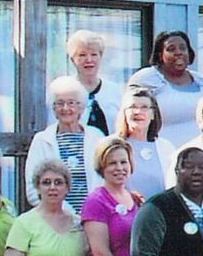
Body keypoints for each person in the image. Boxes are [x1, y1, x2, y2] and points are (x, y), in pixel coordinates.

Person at [26, 76, 105, 216]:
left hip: (93, 217)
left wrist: (90, 210)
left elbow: (104, 180)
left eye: (71, 103)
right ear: (53, 108)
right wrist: (65, 212)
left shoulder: (97, 137)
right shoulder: (42, 140)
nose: (65, 108)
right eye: (60, 103)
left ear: (81, 107)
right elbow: (32, 188)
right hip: (55, 218)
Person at [129, 30, 203, 149]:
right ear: (160, 55)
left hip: (199, 156)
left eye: (183, 48)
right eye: (171, 49)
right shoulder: (145, 79)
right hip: (160, 154)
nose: (178, 53)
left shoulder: (202, 81)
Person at [112, 85, 175, 198]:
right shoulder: (112, 145)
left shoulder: (166, 147)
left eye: (144, 107)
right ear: (124, 113)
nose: (138, 112)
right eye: (132, 107)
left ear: (152, 114)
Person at [64, 28, 109, 132]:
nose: (89, 60)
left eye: (94, 54)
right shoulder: (64, 91)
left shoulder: (115, 91)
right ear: (72, 59)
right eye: (82, 55)